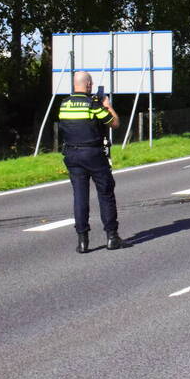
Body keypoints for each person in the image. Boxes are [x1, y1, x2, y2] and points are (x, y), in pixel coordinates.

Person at [57, 71, 126, 253]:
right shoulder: (92, 104)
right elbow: (114, 123)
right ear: (88, 85)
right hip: (93, 154)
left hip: (71, 154)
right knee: (105, 192)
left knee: (80, 196)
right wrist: (107, 106)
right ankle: (112, 237)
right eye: (91, 83)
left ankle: (82, 241)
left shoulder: (64, 104)